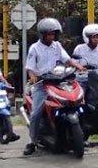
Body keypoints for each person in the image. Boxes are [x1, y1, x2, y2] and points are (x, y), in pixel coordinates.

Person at [23, 18, 85, 156]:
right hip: (42, 85)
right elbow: (30, 68)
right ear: (42, 34)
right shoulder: (35, 48)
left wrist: (78, 65)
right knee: (36, 113)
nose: (51, 36)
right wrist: (33, 76)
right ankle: (32, 142)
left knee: (77, 102)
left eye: (53, 34)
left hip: (58, 81)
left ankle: (81, 136)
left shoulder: (56, 45)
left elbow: (67, 59)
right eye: (49, 34)